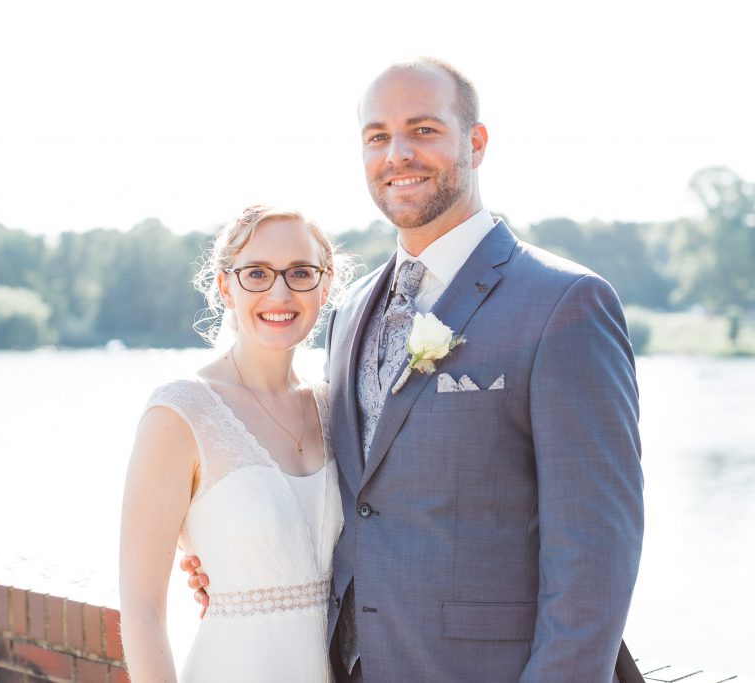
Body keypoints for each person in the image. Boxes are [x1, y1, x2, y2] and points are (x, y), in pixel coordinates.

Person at [185, 59, 645, 682]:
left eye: (423, 130)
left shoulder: (563, 304)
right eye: (377, 136)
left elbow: (596, 545)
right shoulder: (350, 310)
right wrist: (227, 551)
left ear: (474, 143)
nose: (397, 153)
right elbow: (354, 493)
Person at [119, 205, 352, 682]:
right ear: (226, 286)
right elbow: (141, 609)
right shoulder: (180, 413)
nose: (280, 292)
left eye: (300, 273)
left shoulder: (338, 407)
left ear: (325, 287)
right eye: (257, 274)